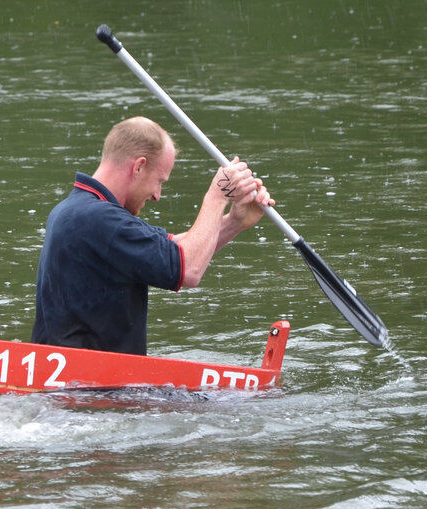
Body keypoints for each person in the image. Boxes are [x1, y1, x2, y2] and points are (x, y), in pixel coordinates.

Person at [32, 116, 274, 355]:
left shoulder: (79, 210)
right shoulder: (100, 219)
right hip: (94, 387)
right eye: (159, 181)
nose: (157, 195)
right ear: (138, 166)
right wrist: (217, 196)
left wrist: (235, 222)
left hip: (80, 381)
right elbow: (189, 268)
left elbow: (177, 250)